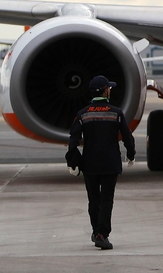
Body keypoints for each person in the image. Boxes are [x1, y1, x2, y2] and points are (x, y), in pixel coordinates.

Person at [66, 75, 135, 250]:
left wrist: (72, 161)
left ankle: (96, 230)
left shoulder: (83, 114)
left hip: (89, 164)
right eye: (109, 88)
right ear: (104, 90)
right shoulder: (116, 113)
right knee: (107, 199)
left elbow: (73, 140)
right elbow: (127, 136)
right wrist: (131, 154)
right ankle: (102, 234)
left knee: (93, 199)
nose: (110, 90)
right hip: (110, 163)